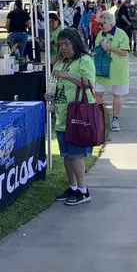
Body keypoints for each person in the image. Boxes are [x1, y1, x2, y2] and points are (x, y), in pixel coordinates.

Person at [45, 28, 96, 206]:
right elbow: (56, 83)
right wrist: (50, 94)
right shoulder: (60, 63)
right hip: (62, 116)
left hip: (78, 116)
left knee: (76, 156)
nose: (63, 48)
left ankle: (83, 190)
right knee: (66, 156)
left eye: (66, 44)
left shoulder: (85, 60)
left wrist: (66, 75)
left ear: (75, 42)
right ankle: (72, 187)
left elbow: (89, 84)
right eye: (60, 45)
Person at [94, 11, 130, 132]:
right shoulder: (100, 34)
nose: (100, 27)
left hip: (117, 71)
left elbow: (125, 52)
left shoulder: (121, 34)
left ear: (109, 23)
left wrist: (111, 48)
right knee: (97, 94)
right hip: (102, 71)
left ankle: (115, 119)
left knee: (117, 95)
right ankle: (99, 117)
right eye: (99, 24)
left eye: (101, 24)